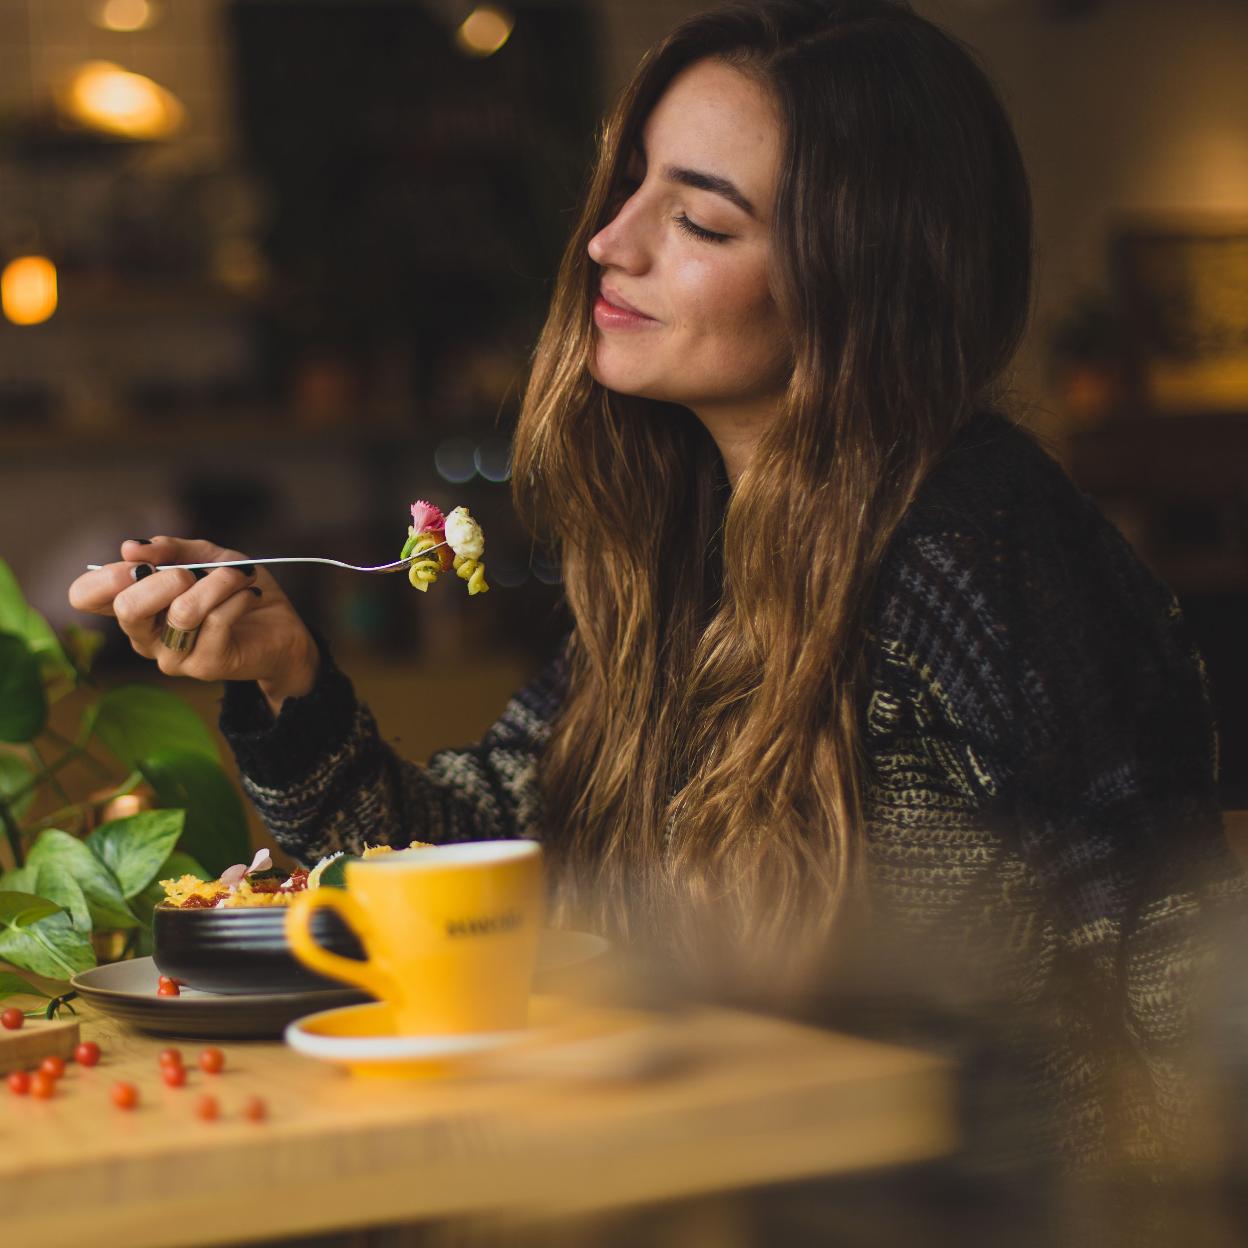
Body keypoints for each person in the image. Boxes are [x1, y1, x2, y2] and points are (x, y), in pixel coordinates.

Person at [69, 0, 1242, 1189]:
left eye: (696, 219)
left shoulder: (974, 542)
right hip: (709, 1184)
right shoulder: (691, 559)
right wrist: (288, 678)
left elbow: (1162, 965)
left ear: (861, 275)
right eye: (627, 187)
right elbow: (472, 878)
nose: (607, 242)